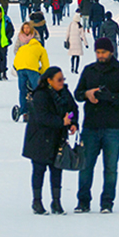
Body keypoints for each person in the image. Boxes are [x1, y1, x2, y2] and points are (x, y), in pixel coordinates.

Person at [73, 37, 119, 213]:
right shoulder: (89, 70)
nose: (100, 56)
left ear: (111, 52)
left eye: (103, 52)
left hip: (113, 126)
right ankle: (83, 201)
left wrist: (111, 97)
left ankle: (107, 202)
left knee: (111, 168)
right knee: (85, 166)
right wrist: (87, 94)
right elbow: (77, 94)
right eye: (98, 52)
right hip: (91, 125)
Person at [22, 67, 78, 215]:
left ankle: (56, 201)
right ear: (49, 80)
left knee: (57, 169)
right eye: (59, 80)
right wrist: (62, 121)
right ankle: (37, 201)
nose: (62, 82)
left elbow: (73, 109)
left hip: (57, 138)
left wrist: (73, 122)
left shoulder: (64, 93)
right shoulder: (40, 95)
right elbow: (42, 117)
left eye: (63, 79)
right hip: (39, 139)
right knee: (39, 170)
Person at [12, 32, 50, 120]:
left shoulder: (23, 47)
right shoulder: (41, 49)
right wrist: (41, 72)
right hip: (32, 69)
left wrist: (18, 68)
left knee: (22, 90)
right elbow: (46, 66)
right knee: (37, 90)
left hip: (20, 68)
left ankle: (23, 109)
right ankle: (39, 108)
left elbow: (16, 60)